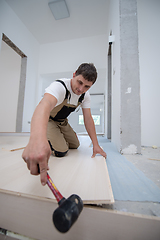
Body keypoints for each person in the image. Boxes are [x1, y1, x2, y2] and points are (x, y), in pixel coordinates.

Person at [22, 63, 107, 186]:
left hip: (62, 122)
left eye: (87, 86)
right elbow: (44, 106)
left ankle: (55, 136)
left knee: (75, 145)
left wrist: (96, 145)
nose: (81, 89)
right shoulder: (60, 87)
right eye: (79, 82)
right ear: (74, 75)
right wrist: (37, 139)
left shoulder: (84, 96)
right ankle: (49, 138)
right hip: (49, 120)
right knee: (62, 151)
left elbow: (88, 119)